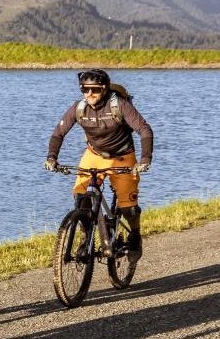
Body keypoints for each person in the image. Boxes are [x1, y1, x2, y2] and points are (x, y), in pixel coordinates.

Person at [45, 68, 154, 255]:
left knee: (129, 208)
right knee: (81, 198)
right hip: (94, 155)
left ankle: (135, 234)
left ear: (104, 89)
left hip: (122, 158)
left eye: (94, 90)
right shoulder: (79, 108)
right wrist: (52, 157)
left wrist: (145, 159)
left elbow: (144, 130)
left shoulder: (119, 105)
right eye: (85, 90)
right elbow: (58, 133)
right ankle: (86, 239)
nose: (89, 94)